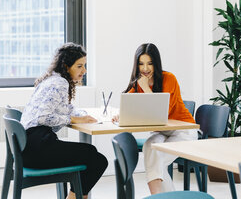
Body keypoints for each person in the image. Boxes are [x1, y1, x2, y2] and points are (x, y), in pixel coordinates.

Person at [21, 43, 108, 199]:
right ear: (67, 66)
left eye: (84, 66)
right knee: (97, 160)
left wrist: (82, 115)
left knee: (91, 154)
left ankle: (76, 197)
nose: (84, 71)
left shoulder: (53, 79)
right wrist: (73, 118)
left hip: (28, 146)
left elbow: (65, 108)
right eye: (79, 66)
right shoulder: (60, 83)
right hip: (37, 149)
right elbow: (42, 117)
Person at [121, 43, 198, 194]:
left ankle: (157, 197)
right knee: (150, 148)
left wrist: (147, 89)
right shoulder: (139, 83)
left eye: (150, 63)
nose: (145, 69)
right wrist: (122, 114)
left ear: (156, 63)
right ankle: (162, 197)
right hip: (162, 132)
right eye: (141, 64)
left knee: (157, 162)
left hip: (184, 130)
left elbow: (160, 115)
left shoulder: (169, 79)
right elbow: (128, 103)